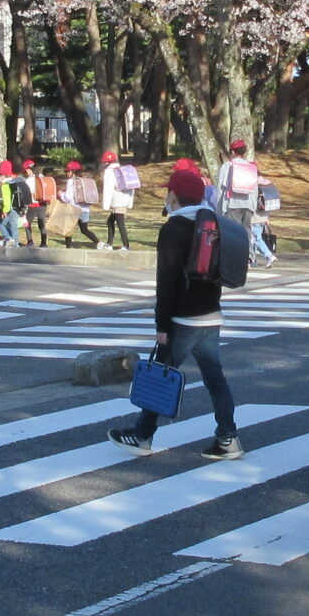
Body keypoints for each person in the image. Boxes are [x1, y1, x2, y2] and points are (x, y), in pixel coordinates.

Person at [111, 161, 243, 459]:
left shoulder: (173, 229)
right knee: (215, 380)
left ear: (174, 197)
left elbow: (166, 281)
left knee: (161, 375)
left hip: (183, 318)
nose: (166, 197)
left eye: (168, 192)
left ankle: (143, 436)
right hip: (211, 314)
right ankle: (228, 438)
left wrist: (162, 327)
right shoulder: (210, 224)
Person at [100, 149, 139, 250]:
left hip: (117, 201)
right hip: (124, 200)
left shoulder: (109, 172)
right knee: (110, 221)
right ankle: (110, 243)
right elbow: (132, 187)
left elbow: (108, 189)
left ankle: (125, 245)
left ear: (107, 162)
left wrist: (106, 205)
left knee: (120, 222)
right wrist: (130, 202)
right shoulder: (122, 169)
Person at [213, 138, 261, 216]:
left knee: (233, 228)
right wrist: (253, 207)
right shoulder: (251, 167)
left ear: (232, 152)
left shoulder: (227, 166)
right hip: (248, 206)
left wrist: (219, 210)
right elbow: (255, 190)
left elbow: (221, 189)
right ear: (244, 152)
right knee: (246, 229)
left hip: (232, 206)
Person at [63, 161, 100, 246]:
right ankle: (98, 242)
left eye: (68, 171)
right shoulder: (84, 180)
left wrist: (61, 194)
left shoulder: (71, 181)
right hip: (85, 209)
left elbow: (68, 197)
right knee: (84, 230)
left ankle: (68, 247)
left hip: (74, 208)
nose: (67, 173)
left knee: (69, 229)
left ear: (72, 172)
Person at [27, 158, 58, 247]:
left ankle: (30, 241)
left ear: (30, 170)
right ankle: (44, 243)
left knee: (27, 222)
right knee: (41, 223)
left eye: (26, 170)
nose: (26, 172)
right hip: (43, 204)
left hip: (33, 204)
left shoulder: (29, 180)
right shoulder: (42, 177)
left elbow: (29, 193)